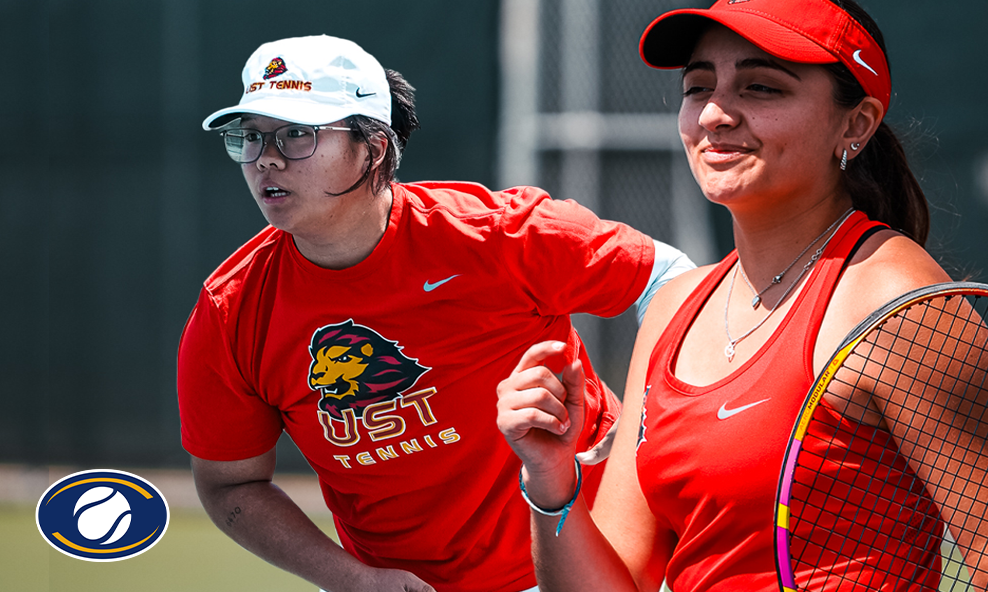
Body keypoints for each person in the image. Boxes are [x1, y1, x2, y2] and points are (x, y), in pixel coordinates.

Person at [496, 0, 988, 592]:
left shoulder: (896, 304)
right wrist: (550, 484)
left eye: (761, 87)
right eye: (698, 87)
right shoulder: (672, 311)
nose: (715, 113)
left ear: (857, 123)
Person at [177, 34, 693, 592]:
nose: (266, 158)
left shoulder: (496, 235)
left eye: (297, 134)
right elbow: (230, 484)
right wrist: (350, 579)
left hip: (599, 566)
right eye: (250, 137)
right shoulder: (231, 308)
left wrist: (650, 414)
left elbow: (676, 280)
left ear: (373, 149)